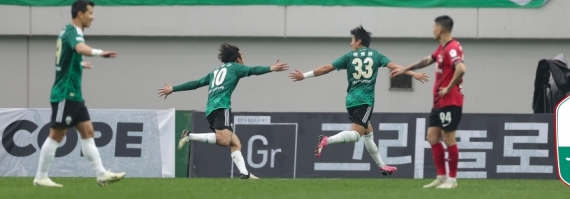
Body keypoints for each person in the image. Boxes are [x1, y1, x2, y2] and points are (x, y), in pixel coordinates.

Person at [289, 26, 428, 175]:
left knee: (368, 133)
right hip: (365, 100)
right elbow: (395, 67)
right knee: (356, 135)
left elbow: (325, 68)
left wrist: (304, 75)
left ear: (359, 41)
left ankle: (382, 165)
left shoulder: (349, 57)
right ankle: (326, 140)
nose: (351, 44)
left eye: (352, 40)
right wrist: (413, 73)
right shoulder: (376, 55)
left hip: (350, 100)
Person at [159, 44, 289, 180]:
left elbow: (196, 83)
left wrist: (174, 88)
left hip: (210, 110)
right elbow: (253, 70)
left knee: (235, 143)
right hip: (222, 107)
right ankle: (189, 135)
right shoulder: (236, 67)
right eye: (242, 55)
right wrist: (271, 68)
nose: (244, 57)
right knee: (225, 140)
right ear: (237, 58)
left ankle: (245, 174)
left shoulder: (215, 71)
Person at [33, 0, 124, 188]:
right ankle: (40, 177)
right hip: (66, 94)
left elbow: (64, 58)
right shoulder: (74, 32)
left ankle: (101, 174)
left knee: (88, 132)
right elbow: (80, 48)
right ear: (80, 14)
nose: (93, 17)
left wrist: (79, 64)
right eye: (90, 13)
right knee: (57, 135)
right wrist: (100, 53)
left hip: (74, 94)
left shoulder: (66, 31)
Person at [390, 16, 466, 189]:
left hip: (450, 100)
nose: (432, 29)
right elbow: (427, 60)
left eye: (434, 27)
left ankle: (452, 180)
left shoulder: (452, 48)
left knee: (448, 138)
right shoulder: (442, 48)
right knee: (432, 137)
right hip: (439, 103)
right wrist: (405, 69)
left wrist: (448, 87)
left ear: (440, 30)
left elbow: (461, 68)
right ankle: (441, 176)